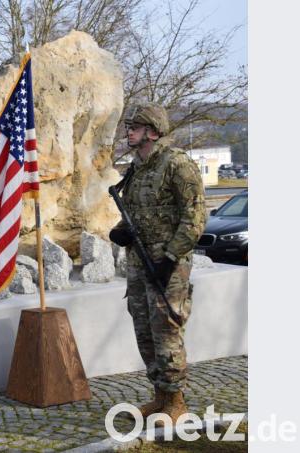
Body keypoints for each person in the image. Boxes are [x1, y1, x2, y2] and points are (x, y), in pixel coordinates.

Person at [109, 103, 207, 422]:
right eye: (128, 127)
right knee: (144, 327)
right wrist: (121, 231)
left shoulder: (177, 164)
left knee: (166, 328)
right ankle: (160, 396)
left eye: (134, 127)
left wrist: (170, 258)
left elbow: (195, 218)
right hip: (139, 263)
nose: (128, 132)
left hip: (168, 264)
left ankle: (176, 401)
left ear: (151, 131)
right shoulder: (137, 168)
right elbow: (137, 213)